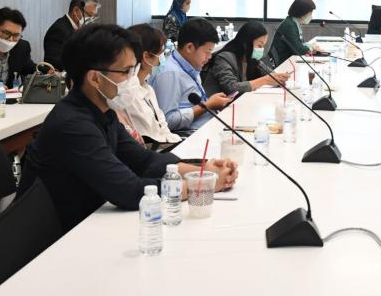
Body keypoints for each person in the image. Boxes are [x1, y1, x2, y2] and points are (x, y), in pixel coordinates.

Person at [17, 23, 238, 233]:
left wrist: (203, 172)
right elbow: (129, 191)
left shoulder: (103, 110)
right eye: (126, 71)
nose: (132, 79)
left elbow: (144, 161)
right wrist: (201, 186)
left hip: (88, 221)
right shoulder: (73, 125)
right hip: (56, 238)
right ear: (95, 78)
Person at [150, 19, 233, 136]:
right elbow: (167, 121)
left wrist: (211, 104)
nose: (210, 57)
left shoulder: (191, 65)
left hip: (206, 127)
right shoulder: (170, 73)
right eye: (207, 52)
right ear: (189, 47)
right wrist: (207, 105)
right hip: (190, 136)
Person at [108, 24, 183, 145]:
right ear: (146, 57)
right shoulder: (128, 94)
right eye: (161, 54)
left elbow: (163, 127)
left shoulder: (148, 89)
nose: (163, 60)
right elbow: (149, 137)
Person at [202, 21, 291, 96]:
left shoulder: (252, 59)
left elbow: (270, 74)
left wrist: (279, 78)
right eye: (259, 45)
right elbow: (231, 88)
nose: (261, 49)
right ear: (246, 43)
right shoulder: (224, 58)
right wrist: (265, 80)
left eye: (263, 46)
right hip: (218, 109)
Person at [43, 0, 100, 71]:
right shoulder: (59, 30)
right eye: (90, 15)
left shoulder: (83, 30)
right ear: (76, 11)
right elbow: (54, 62)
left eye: (94, 16)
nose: (92, 20)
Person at [268, 0, 322, 64]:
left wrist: (310, 46)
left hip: (289, 59)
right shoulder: (289, 25)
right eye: (310, 13)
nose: (311, 16)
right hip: (285, 62)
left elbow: (298, 44)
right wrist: (311, 48)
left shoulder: (293, 22)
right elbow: (299, 50)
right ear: (302, 13)